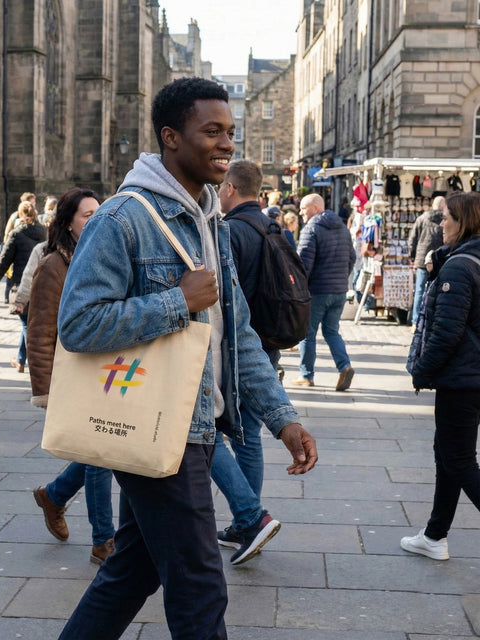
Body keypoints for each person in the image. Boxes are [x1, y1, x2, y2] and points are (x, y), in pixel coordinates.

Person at [55, 77, 317, 640]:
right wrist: (178, 301)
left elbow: (236, 333)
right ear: (172, 137)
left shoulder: (209, 221)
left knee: (134, 569)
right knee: (200, 583)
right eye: (213, 131)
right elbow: (76, 324)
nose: (227, 144)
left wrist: (283, 418)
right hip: (157, 424)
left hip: (197, 426)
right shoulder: (120, 219)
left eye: (231, 132)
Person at [26, 187, 115, 564]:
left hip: (104, 371)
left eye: (99, 212)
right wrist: (45, 392)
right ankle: (103, 540)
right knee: (100, 454)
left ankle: (55, 494)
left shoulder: (104, 258)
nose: (95, 220)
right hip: (73, 375)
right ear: (68, 223)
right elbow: (40, 331)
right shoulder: (53, 266)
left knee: (103, 451)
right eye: (86, 215)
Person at [214, 159, 288, 564]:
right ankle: (248, 519)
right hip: (267, 344)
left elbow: (226, 300)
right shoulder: (274, 226)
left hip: (238, 348)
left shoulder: (231, 232)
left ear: (229, 188)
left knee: (223, 434)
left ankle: (249, 520)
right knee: (248, 435)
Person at [401, 192, 480, 561]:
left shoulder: (460, 268)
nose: (440, 223)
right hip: (470, 375)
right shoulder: (466, 260)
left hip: (462, 379)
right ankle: (434, 535)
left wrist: (422, 370)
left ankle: (434, 535)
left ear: (463, 221)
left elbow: (446, 332)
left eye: (446, 217)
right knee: (448, 454)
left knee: (460, 460)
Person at [293, 193, 356, 391]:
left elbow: (303, 263)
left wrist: (298, 288)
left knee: (307, 333)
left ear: (316, 208)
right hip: (338, 290)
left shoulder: (311, 229)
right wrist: (341, 279)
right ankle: (345, 366)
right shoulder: (342, 228)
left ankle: (307, 375)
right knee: (331, 331)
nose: (300, 212)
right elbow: (352, 258)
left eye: (304, 208)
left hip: (317, 290)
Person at [0, 200, 46, 373]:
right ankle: (21, 360)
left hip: (21, 283)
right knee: (27, 323)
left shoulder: (16, 234)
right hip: (42, 284)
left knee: (26, 325)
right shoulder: (44, 232)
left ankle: (35, 361)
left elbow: (5, 259)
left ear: (21, 215)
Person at [408, 195, 445, 327]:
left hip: (422, 259)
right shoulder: (445, 220)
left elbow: (412, 239)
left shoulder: (422, 218)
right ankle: (433, 319)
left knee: (419, 290)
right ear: (443, 206)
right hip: (439, 259)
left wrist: (412, 257)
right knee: (438, 290)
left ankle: (415, 321)